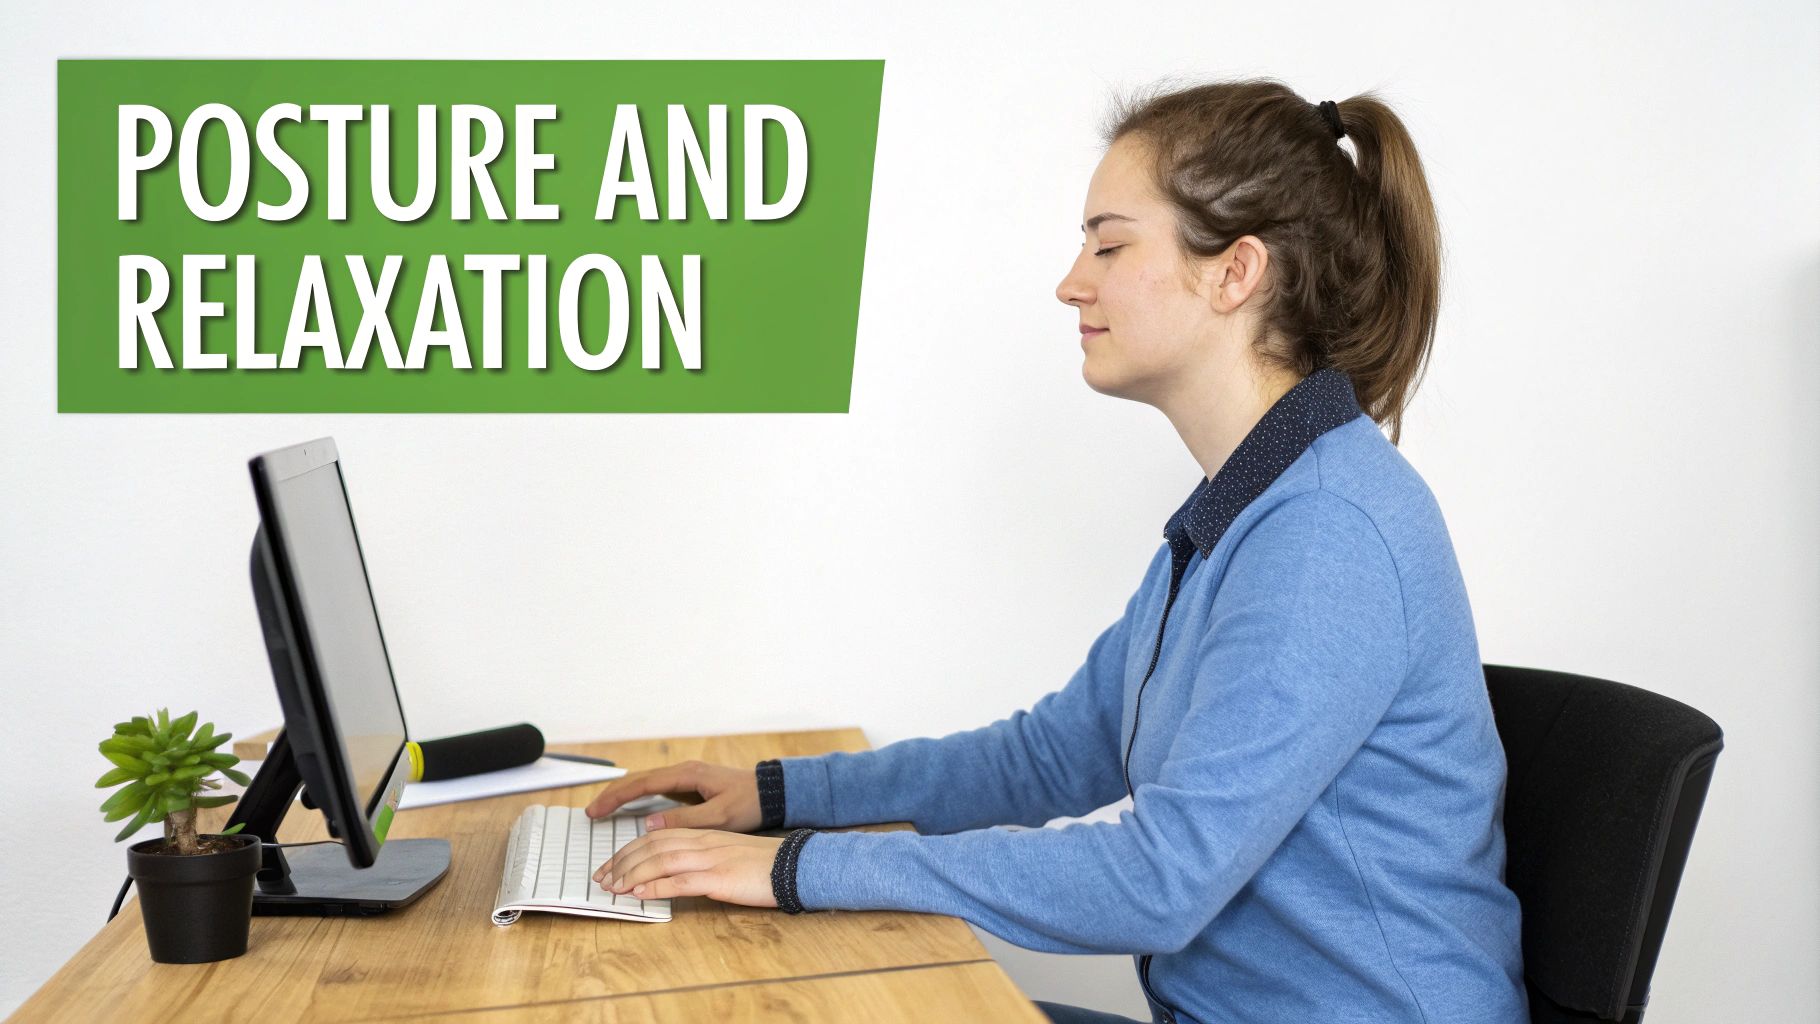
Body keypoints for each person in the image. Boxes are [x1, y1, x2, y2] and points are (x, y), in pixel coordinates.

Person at [585, 77, 1529, 1024]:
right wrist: (781, 795)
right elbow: (1053, 755)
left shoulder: (1327, 532)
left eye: (1111, 245)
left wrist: (799, 867)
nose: (1073, 280)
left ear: (1237, 272)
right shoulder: (1240, 510)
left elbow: (1161, 877)